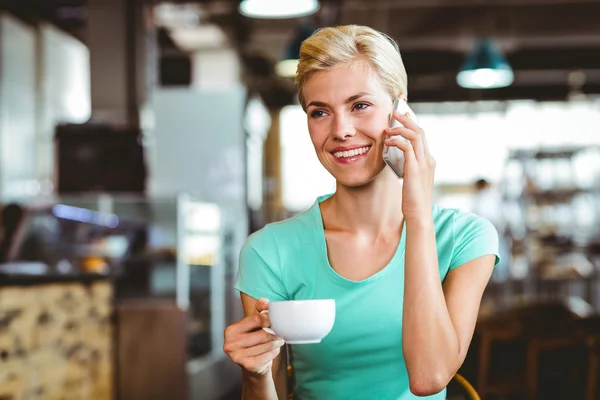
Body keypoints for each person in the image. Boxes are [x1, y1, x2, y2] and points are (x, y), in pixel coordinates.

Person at [224, 25, 499, 399]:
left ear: (400, 110)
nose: (340, 130)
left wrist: (417, 216)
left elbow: (429, 377)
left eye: (360, 105)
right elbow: (273, 388)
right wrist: (256, 377)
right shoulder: (270, 251)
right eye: (319, 112)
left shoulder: (465, 238)